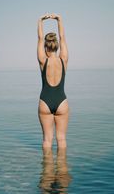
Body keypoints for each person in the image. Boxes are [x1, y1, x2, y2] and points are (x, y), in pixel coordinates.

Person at [37, 13, 69, 148]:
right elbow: (62, 37)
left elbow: (39, 38)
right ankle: (62, 169)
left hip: (45, 101)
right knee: (61, 139)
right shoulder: (64, 59)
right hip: (62, 101)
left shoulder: (43, 61)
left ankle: (46, 169)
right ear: (56, 46)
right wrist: (59, 19)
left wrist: (40, 21)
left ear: (46, 46)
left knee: (47, 140)